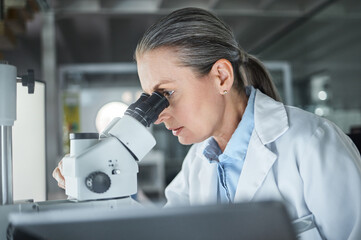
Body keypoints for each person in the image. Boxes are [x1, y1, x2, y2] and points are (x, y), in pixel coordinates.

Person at [53, 7, 361, 240]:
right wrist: (99, 187)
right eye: (150, 98)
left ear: (221, 77)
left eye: (166, 93)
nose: (158, 114)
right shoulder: (199, 160)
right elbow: (165, 233)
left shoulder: (313, 143)